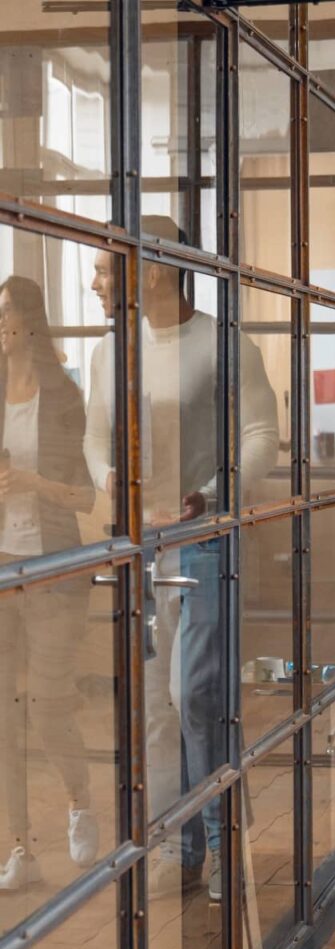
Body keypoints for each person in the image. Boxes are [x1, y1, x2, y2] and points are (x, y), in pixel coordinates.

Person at [85, 218, 279, 900]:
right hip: (137, 544)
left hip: (203, 540)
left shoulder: (223, 345)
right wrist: (108, 475)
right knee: (156, 706)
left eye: (108, 268)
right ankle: (181, 842)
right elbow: (92, 441)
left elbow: (260, 432)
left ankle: (224, 843)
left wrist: (213, 495)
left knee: (194, 694)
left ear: (157, 269)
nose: (95, 281)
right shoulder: (111, 351)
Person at [0, 275, 99, 890]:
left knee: (48, 702)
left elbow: (86, 496)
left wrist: (36, 485)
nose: (1, 325)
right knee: (4, 711)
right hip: (2, 569)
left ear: (32, 324)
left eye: (9, 314)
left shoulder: (64, 397)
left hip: (55, 566)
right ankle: (18, 847)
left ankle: (78, 799)